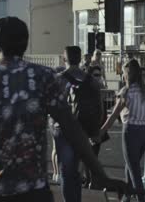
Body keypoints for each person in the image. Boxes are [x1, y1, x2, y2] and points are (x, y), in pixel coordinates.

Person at [0, 17, 120, 202]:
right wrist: (99, 174)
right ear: (25, 45)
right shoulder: (42, 77)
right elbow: (72, 128)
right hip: (33, 190)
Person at [51, 46, 104, 201]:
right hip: (84, 129)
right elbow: (100, 107)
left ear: (64, 59)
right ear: (80, 59)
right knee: (77, 171)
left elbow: (51, 105)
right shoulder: (91, 80)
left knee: (67, 172)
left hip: (64, 130)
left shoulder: (59, 79)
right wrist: (95, 131)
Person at [100, 59, 145, 202]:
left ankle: (140, 198)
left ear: (128, 74)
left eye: (123, 73)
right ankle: (127, 197)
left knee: (134, 169)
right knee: (131, 165)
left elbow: (113, 115)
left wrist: (101, 131)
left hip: (132, 132)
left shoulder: (126, 92)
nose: (123, 76)